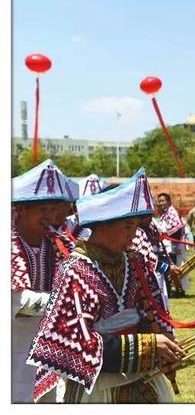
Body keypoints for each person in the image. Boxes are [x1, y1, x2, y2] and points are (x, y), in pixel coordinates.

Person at [26, 168, 185, 403]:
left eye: (136, 227)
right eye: (128, 226)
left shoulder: (136, 262)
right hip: (97, 389)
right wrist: (148, 345)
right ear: (101, 225)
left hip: (143, 382)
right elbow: (70, 343)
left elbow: (151, 314)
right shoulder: (75, 270)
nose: (134, 235)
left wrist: (163, 344)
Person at [11, 159, 76, 403]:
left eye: (53, 209)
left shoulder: (59, 243)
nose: (50, 215)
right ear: (22, 209)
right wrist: (64, 303)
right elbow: (15, 300)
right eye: (43, 209)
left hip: (50, 344)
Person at [156, 192, 188, 297]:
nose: (161, 203)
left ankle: (176, 290)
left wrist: (174, 243)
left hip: (173, 246)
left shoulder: (171, 212)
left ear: (169, 201)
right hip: (168, 245)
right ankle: (176, 290)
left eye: (163, 201)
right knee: (171, 269)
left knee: (172, 269)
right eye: (159, 201)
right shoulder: (165, 213)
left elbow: (178, 228)